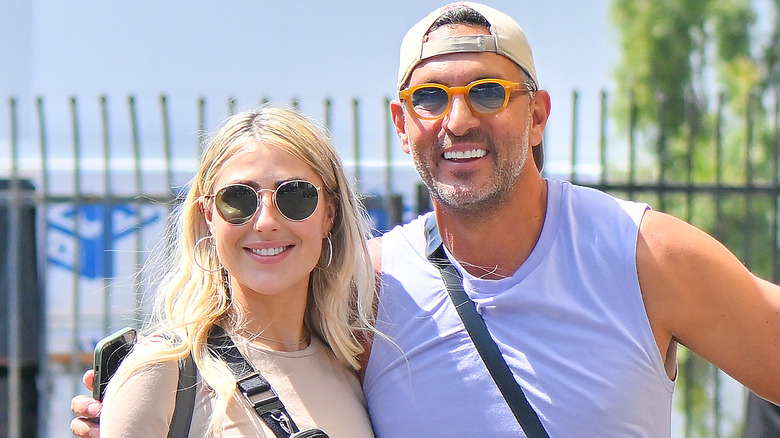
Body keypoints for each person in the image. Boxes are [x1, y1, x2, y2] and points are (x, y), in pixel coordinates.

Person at [73, 2, 780, 437]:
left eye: (488, 91)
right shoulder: (371, 288)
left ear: (536, 115)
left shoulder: (642, 253)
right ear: (401, 124)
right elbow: (266, 368)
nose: (459, 119)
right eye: (432, 98)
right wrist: (142, 408)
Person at [71, 105, 377, 437]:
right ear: (208, 216)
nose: (266, 222)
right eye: (238, 199)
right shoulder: (163, 371)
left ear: (329, 214)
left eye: (295, 195)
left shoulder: (352, 373)